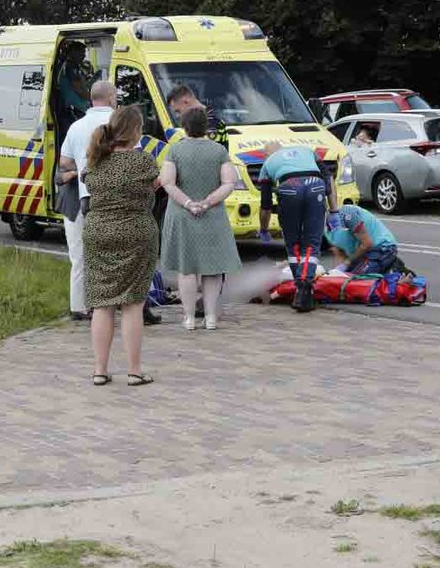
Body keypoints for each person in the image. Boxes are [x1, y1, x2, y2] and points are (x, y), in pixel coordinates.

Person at [82, 106, 161, 387]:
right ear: (137, 131)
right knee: (132, 304)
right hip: (136, 232)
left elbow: (86, 181)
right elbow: (155, 185)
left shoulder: (95, 160)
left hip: (98, 232)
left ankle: (99, 370)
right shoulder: (143, 162)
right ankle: (134, 370)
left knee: (102, 304)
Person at [159, 107, 242, 330]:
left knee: (186, 269)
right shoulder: (219, 151)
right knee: (212, 268)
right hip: (212, 215)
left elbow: (167, 182)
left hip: (182, 215)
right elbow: (229, 183)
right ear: (206, 126)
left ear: (184, 126)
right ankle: (211, 317)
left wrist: (188, 203)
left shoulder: (174, 150)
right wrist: (207, 202)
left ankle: (188, 318)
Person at [57, 80, 117, 321]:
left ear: (91, 99)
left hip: (80, 197)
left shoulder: (76, 126)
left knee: (79, 256)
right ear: (111, 97)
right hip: (111, 198)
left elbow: (64, 163)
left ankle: (78, 307)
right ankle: (111, 304)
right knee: (112, 254)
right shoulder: (118, 124)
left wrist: (79, 168)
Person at [255, 141, 334, 312]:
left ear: (267, 155)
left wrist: (263, 229)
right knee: (312, 243)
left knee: (294, 244)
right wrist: (334, 210)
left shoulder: (268, 164)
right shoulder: (307, 150)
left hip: (289, 189)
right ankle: (305, 286)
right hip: (315, 185)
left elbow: (266, 205)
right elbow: (328, 178)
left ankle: (300, 289)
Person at [324, 201, 403, 275]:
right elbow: (339, 253)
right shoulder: (324, 230)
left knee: (355, 279)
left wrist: (348, 262)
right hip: (362, 254)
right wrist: (338, 270)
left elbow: (367, 244)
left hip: (382, 248)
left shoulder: (347, 215)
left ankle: (394, 270)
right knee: (341, 279)